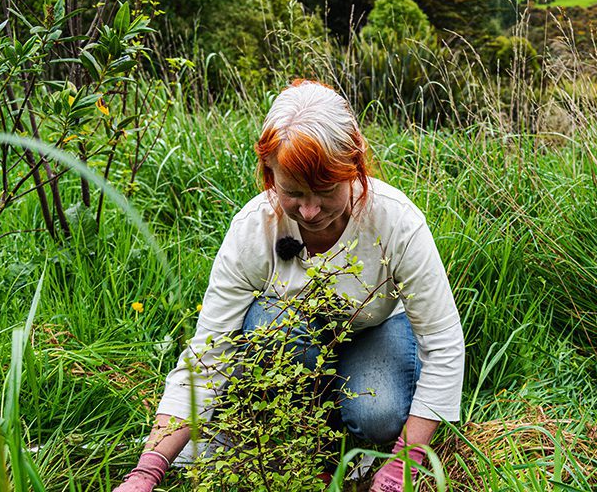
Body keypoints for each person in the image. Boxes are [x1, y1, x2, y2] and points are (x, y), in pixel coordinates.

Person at [114, 80, 465, 492]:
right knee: (269, 329)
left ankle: (360, 441)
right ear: (269, 176)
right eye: (293, 192)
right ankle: (306, 441)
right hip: (292, 340)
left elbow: (443, 344)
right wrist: (146, 472)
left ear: (354, 168)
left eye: (326, 190)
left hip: (376, 330)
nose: (310, 210)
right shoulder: (253, 230)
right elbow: (209, 353)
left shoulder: (396, 222)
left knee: (379, 415)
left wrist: (405, 462)